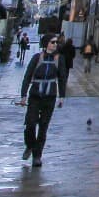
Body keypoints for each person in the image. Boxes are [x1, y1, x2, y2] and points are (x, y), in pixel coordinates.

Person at [18, 34, 66, 167]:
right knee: (30, 123)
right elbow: (27, 76)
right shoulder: (37, 58)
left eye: (56, 42)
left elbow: (62, 77)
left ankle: (37, 156)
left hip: (50, 96)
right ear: (46, 44)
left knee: (43, 127)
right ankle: (30, 145)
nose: (55, 44)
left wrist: (62, 96)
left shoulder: (59, 59)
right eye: (53, 42)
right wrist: (23, 95)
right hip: (35, 95)